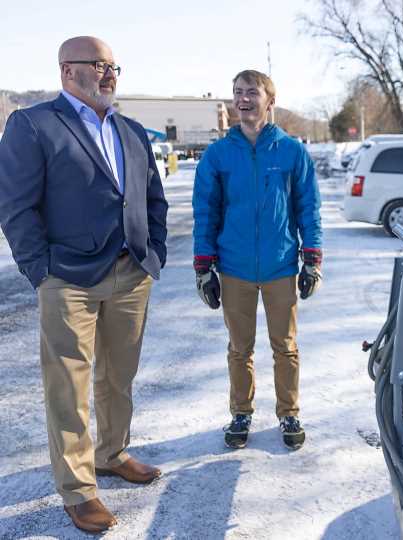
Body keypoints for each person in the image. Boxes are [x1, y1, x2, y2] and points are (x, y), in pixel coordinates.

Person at [0, 37, 168, 533]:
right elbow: (14, 205)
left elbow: (153, 199)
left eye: (115, 65)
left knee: (119, 377)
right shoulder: (33, 124)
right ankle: (77, 490)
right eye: (100, 65)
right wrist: (41, 270)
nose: (110, 74)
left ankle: (112, 453)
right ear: (67, 70)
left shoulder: (132, 130)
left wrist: (152, 254)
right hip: (67, 277)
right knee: (68, 387)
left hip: (131, 273)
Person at [192, 69, 322, 451]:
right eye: (237, 93)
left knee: (285, 345)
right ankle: (241, 412)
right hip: (234, 269)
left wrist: (311, 259)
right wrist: (204, 266)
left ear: (270, 100)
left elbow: (309, 209)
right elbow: (206, 211)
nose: (243, 99)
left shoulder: (292, 152)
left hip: (281, 265)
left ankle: (289, 412)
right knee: (239, 348)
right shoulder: (218, 155)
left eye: (251, 92)